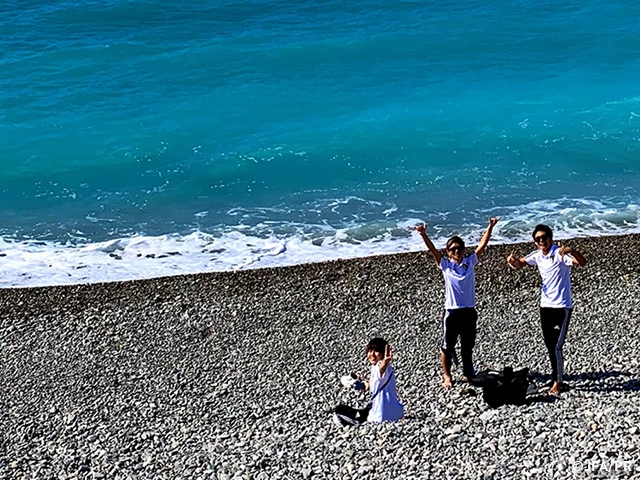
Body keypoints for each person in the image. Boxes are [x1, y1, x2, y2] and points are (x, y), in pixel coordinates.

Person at [416, 218, 499, 389]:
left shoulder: (470, 262)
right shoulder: (445, 265)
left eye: (459, 248)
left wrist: (490, 226)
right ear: (448, 252)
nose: (457, 251)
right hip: (452, 312)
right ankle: (447, 376)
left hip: (469, 310)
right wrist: (424, 235)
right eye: (453, 249)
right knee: (447, 346)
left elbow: (482, 245)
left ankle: (469, 373)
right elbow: (432, 250)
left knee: (467, 345)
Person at [506, 224, 587, 395]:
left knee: (557, 346)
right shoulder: (537, 255)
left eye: (544, 237)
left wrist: (571, 250)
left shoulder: (559, 254)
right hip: (545, 306)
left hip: (562, 306)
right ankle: (555, 375)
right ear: (535, 242)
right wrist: (513, 262)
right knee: (550, 344)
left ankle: (558, 382)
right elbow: (521, 263)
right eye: (538, 239)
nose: (541, 240)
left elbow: (582, 263)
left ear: (551, 238)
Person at [333, 337, 404, 426]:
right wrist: (357, 384)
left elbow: (381, 369)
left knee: (339, 412)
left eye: (376, 351)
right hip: (396, 412)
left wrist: (385, 361)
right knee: (352, 410)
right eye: (370, 351)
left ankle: (359, 421)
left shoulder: (382, 367)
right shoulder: (379, 368)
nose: (372, 354)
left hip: (380, 416)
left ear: (383, 353)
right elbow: (371, 384)